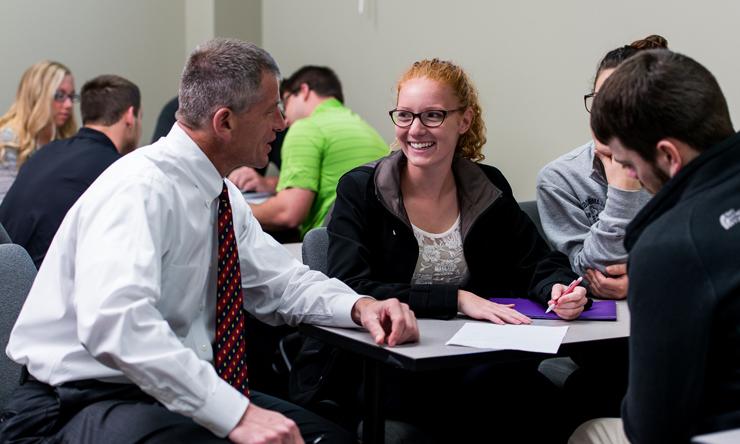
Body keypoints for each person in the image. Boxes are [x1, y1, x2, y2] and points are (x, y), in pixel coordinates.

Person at [0, 38, 418, 444]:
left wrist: (359, 305)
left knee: (329, 438)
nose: (283, 121)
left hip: (166, 391)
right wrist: (236, 413)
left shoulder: (222, 197)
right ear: (225, 122)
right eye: (272, 108)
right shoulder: (139, 189)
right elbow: (118, 324)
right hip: (78, 402)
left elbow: (282, 283)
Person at [295, 58, 588, 441]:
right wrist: (457, 299)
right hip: (385, 363)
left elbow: (535, 261)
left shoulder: (486, 185)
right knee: (507, 397)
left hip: (470, 356)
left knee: (532, 392)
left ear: (463, 121)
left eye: (433, 115)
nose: (416, 130)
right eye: (405, 115)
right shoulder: (362, 190)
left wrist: (558, 287)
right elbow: (350, 284)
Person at [569, 50, 740, 443]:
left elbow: (652, 427)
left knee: (589, 432)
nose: (632, 175)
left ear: (668, 156)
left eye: (628, 164)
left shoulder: (669, 247)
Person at [537, 35, 667, 300]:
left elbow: (708, 256)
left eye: (621, 102)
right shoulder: (560, 178)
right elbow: (588, 273)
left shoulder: (675, 164)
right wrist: (623, 192)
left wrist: (645, 280)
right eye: (600, 100)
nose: (605, 116)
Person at [0, 74, 142, 268]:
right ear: (130, 116)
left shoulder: (46, 153)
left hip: (12, 281)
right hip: (45, 287)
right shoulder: (119, 170)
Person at [250, 66, 389, 239]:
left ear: (304, 90)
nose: (284, 121)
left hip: (331, 246)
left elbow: (288, 213)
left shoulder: (306, 126)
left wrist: (239, 209)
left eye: (285, 103)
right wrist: (268, 183)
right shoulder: (365, 128)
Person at [152, 96, 284, 192]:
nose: (281, 124)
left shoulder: (231, 199)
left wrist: (268, 183)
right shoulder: (148, 186)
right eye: (270, 112)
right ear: (224, 122)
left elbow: (299, 181)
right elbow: (161, 169)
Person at [0, 60, 78, 200]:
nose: (68, 105)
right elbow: (4, 204)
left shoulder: (67, 140)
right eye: (60, 96)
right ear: (38, 95)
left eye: (71, 97)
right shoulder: (9, 140)